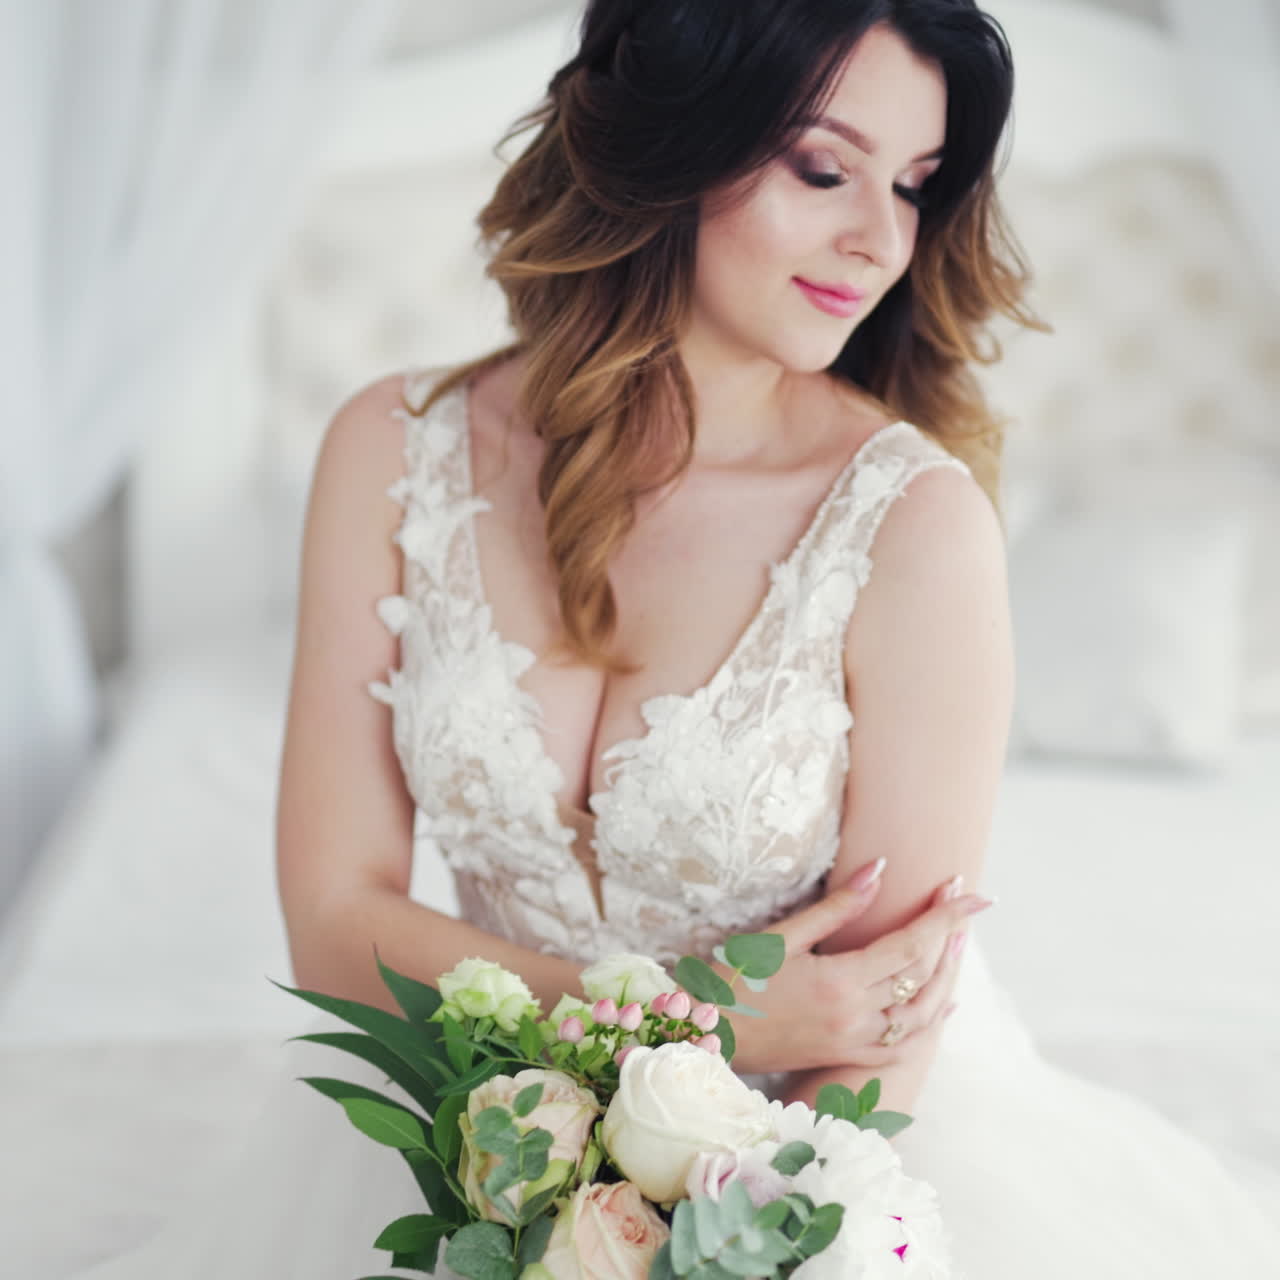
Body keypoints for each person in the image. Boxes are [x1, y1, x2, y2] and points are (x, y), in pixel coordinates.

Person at [73, 2, 1280, 1277]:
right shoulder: (390, 449)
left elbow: (878, 1027)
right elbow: (331, 925)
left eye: (913, 186)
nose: (879, 240)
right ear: (673, 140)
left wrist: (723, 1243)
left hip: (819, 1167)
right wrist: (705, 1017)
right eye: (822, 168)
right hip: (472, 1139)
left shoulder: (912, 525)